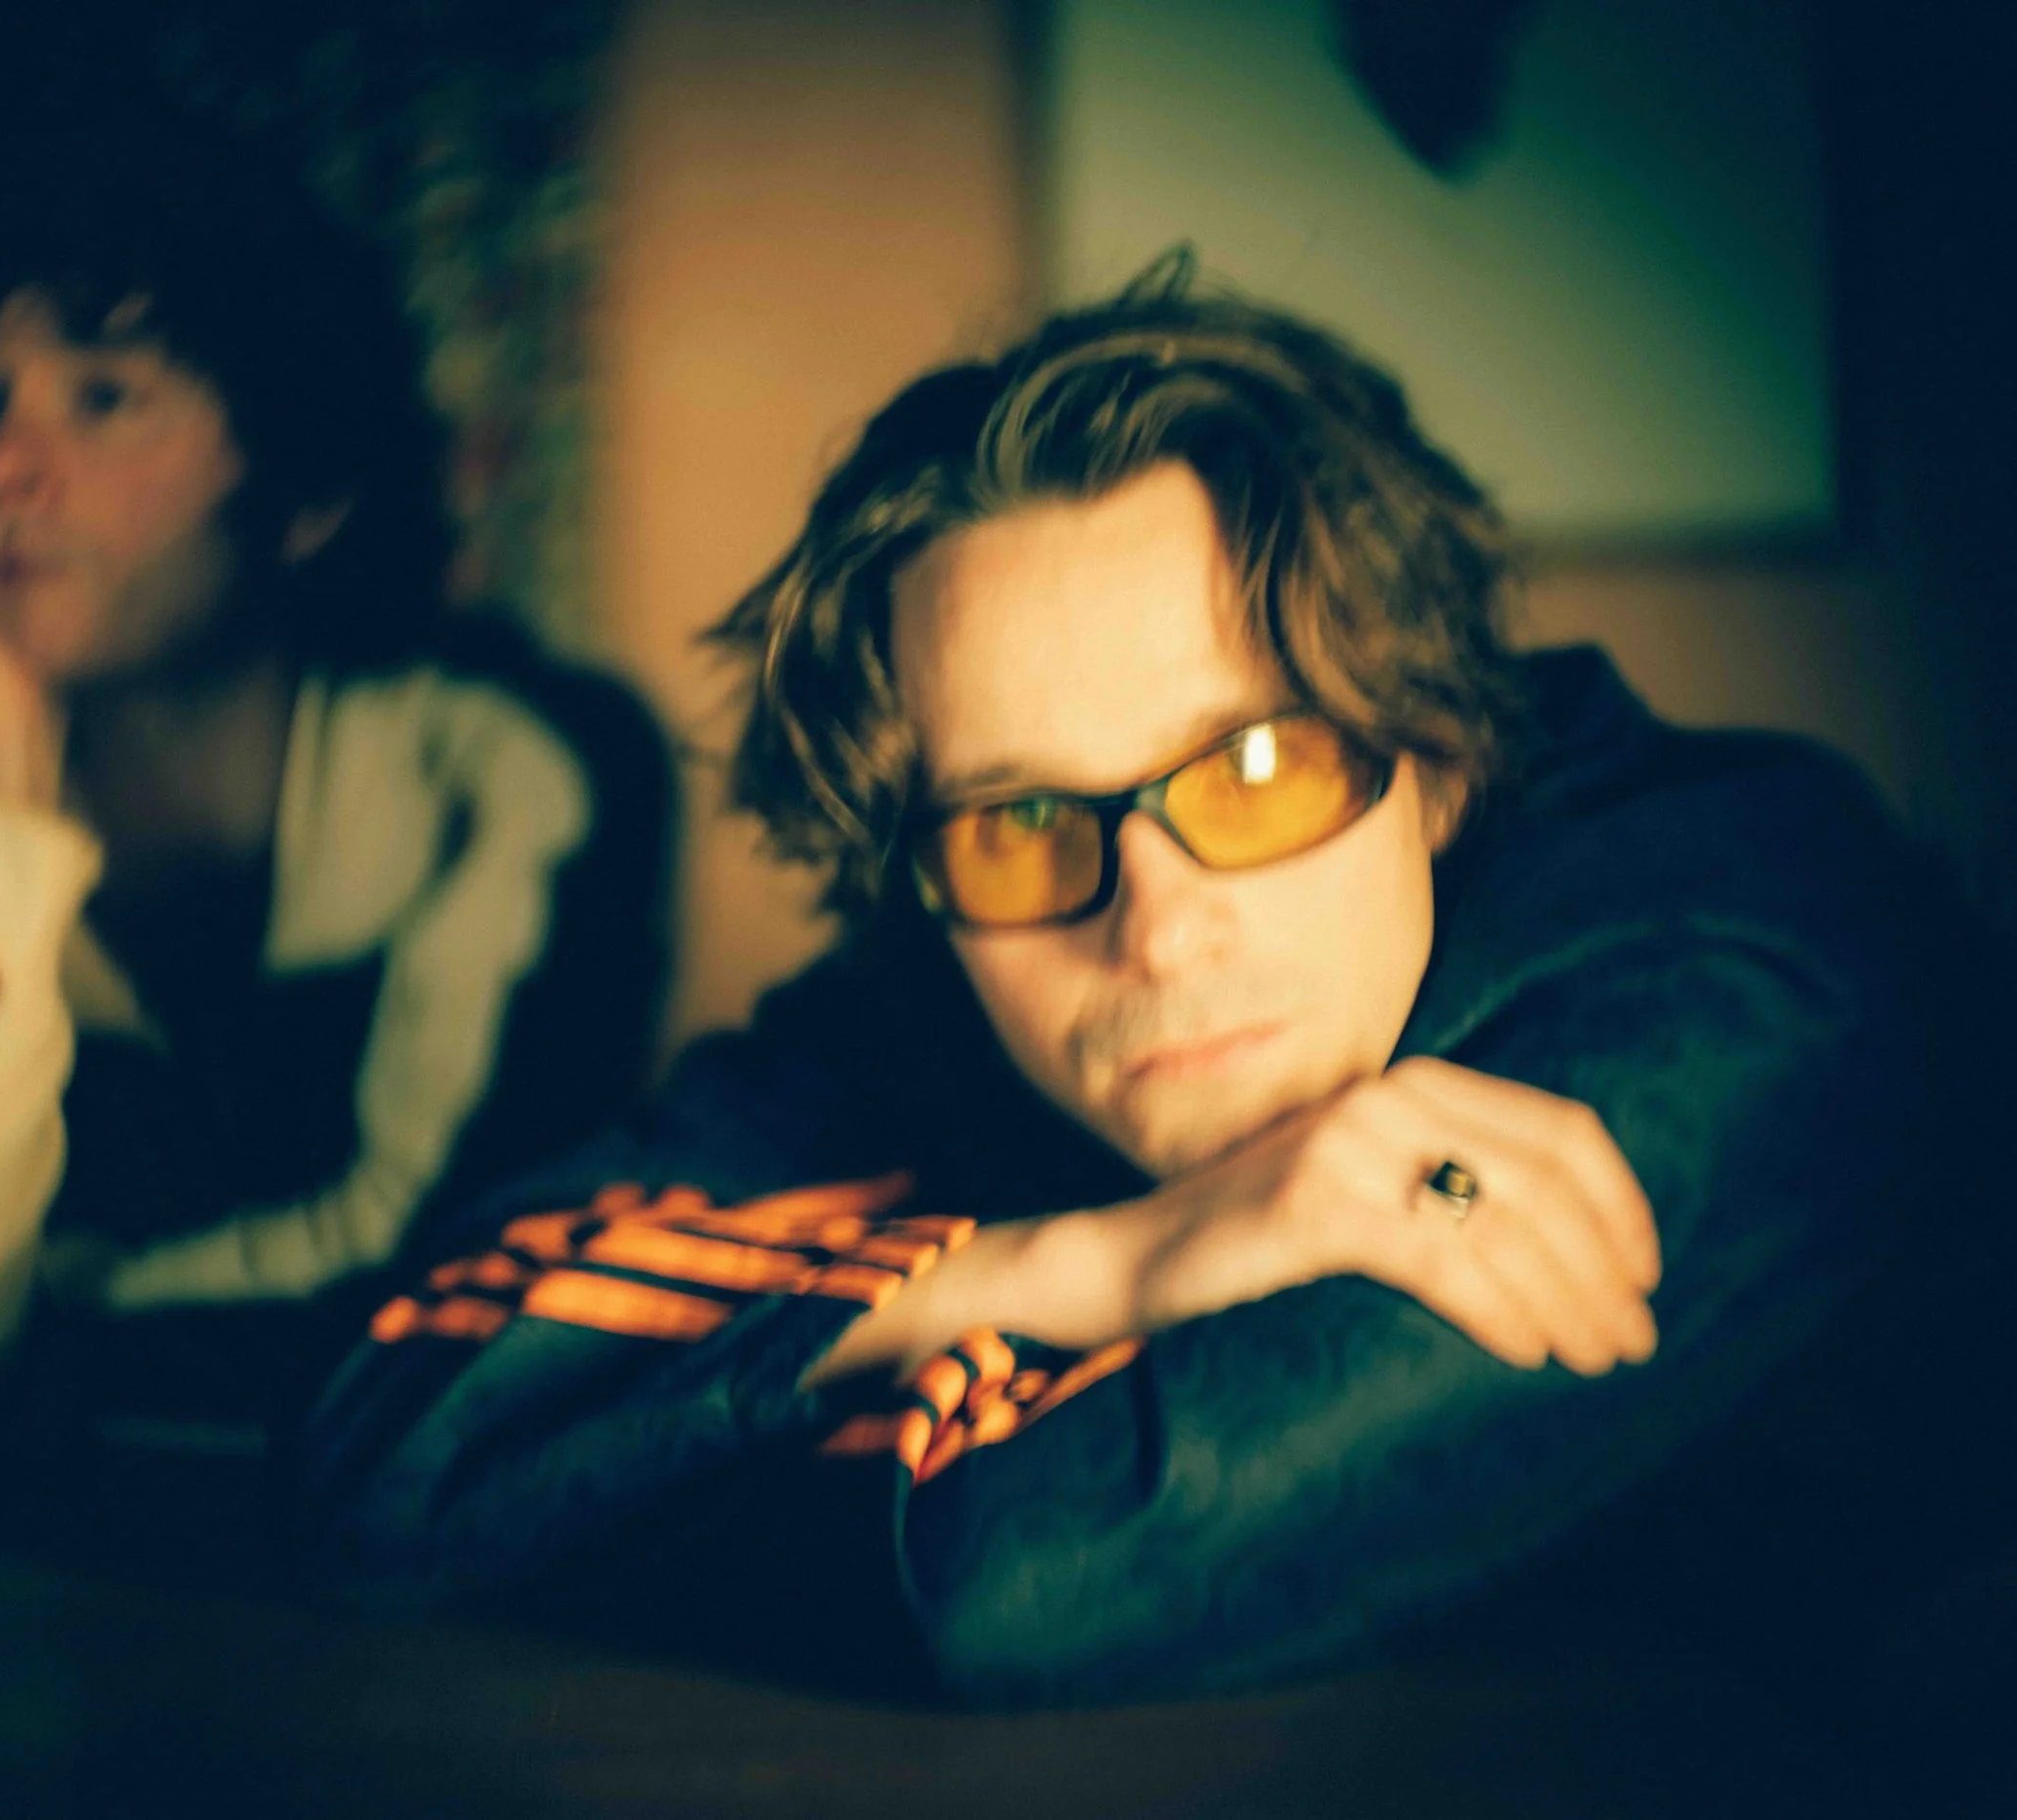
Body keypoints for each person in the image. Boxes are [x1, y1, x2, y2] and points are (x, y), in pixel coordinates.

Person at [301, 263, 1938, 1703]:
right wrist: (1094, 1262)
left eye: (1254, 769)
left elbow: (1026, 1575)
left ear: (1436, 755)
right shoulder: (946, 964)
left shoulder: (1767, 950)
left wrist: (735, 1410)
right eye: (1020, 817)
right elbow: (388, 1414)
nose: (1153, 927)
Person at [0, 112, 670, 1463]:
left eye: (103, 399)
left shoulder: (509, 774)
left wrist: (12, 1346)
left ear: (305, 486)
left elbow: (457, 1292)